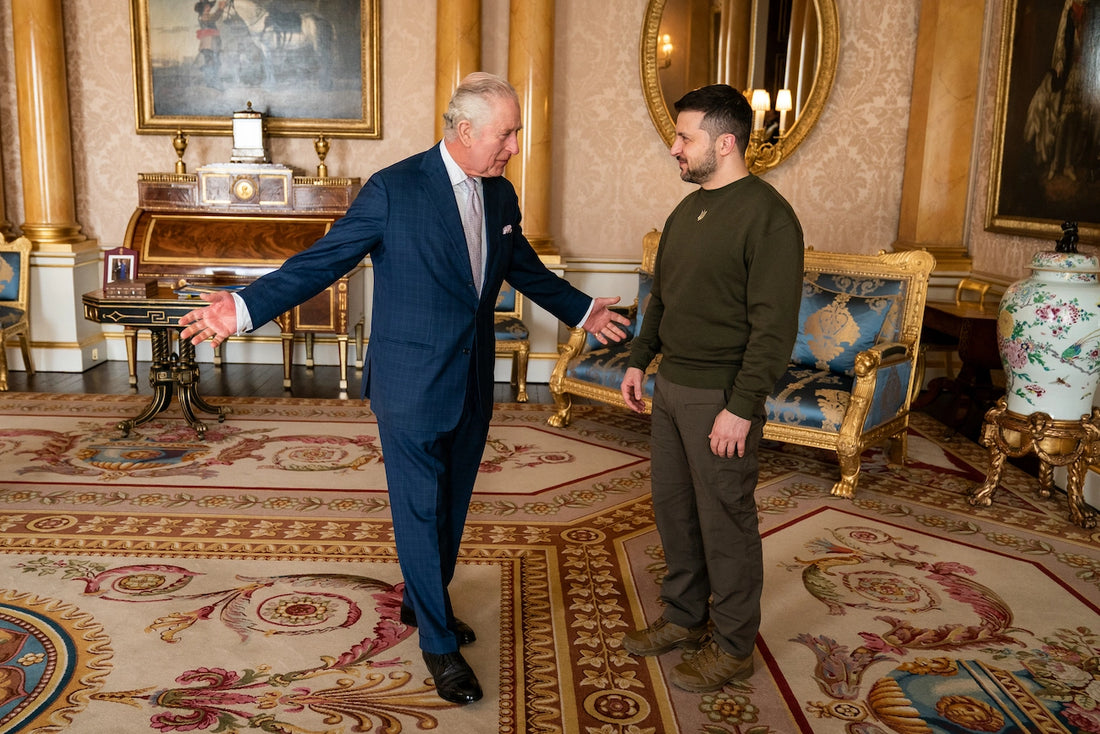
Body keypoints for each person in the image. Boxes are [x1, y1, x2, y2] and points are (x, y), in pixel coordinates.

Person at [179, 72, 630, 705]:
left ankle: (426, 604)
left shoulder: (499, 196)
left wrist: (583, 311)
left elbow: (521, 266)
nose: (514, 147)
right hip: (411, 381)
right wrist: (245, 308)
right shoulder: (394, 189)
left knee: (452, 504)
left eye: (515, 132)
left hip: (472, 377)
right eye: (507, 133)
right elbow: (323, 260)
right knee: (419, 509)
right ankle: (438, 646)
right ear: (465, 130)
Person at [619, 84, 804, 693]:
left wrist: (741, 408)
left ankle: (731, 645)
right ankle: (683, 618)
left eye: (685, 137)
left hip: (720, 396)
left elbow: (773, 330)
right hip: (672, 388)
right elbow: (662, 299)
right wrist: (639, 360)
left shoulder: (769, 217)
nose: (674, 148)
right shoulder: (685, 211)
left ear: (725, 143)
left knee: (726, 521)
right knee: (676, 514)